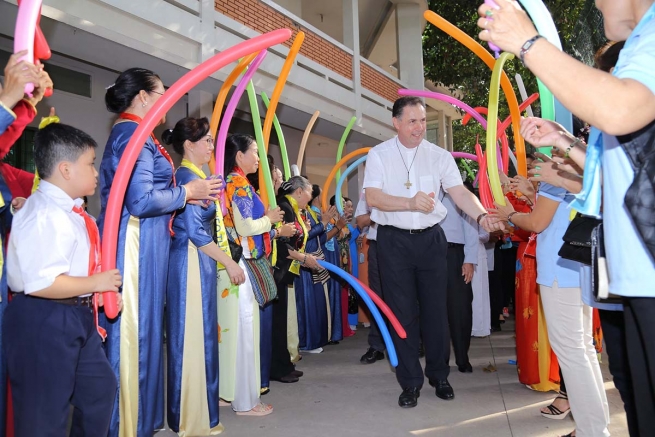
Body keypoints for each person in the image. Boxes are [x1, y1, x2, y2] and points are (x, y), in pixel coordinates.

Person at [478, 2, 655, 434]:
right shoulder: (639, 40)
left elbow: (622, 108)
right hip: (626, 276)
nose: (595, 3)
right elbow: (609, 181)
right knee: (634, 394)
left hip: (641, 274)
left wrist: (528, 42)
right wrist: (566, 145)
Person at [98, 68, 221, 436]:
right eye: (162, 92)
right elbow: (139, 200)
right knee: (134, 337)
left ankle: (140, 424)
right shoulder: (132, 134)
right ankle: (125, 426)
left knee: (147, 338)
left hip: (147, 243)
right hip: (134, 244)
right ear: (142, 97)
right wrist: (189, 193)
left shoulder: (138, 135)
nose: (167, 98)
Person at [363, 96, 503, 408]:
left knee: (436, 311)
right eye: (412, 121)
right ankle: (409, 382)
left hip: (430, 241)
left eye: (423, 121)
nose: (419, 127)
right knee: (402, 314)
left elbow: (460, 192)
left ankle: (440, 375)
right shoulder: (379, 154)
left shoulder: (439, 156)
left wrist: (481, 216)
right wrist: (410, 202)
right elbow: (372, 197)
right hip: (393, 241)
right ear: (396, 123)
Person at [4, 123, 123, 436]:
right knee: (45, 414)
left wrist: (96, 291)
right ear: (66, 169)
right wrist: (97, 283)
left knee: (99, 389)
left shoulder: (69, 211)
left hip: (74, 314)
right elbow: (42, 283)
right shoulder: (45, 213)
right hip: (43, 318)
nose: (96, 172)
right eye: (91, 163)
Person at [163, 118, 245, 433]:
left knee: (203, 336)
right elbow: (195, 232)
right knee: (191, 338)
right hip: (190, 261)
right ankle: (189, 416)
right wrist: (230, 263)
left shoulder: (197, 176)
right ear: (189, 145)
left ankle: (203, 413)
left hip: (201, 262)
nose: (212, 147)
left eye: (212, 140)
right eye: (207, 141)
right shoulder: (186, 176)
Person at [219, 133, 285, 416]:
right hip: (243, 264)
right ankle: (246, 402)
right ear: (239, 156)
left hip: (234, 265)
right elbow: (246, 228)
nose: (259, 158)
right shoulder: (239, 185)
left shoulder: (234, 183)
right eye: (255, 152)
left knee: (232, 333)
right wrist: (269, 219)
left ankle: (230, 393)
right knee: (245, 333)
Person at [271, 176, 323, 383]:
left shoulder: (294, 209)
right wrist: (304, 258)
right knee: (277, 322)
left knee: (282, 321)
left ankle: (285, 365)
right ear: (299, 192)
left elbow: (295, 240)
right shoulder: (285, 207)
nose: (311, 198)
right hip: (279, 271)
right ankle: (277, 368)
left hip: (286, 272)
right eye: (310, 192)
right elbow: (283, 245)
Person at [440, 191, 479, 373]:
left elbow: (471, 225)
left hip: (455, 253)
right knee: (434, 310)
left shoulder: (458, 191)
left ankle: (462, 357)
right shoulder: (422, 185)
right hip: (428, 253)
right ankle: (440, 360)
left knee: (461, 308)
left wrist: (469, 259)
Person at [295, 185, 336, 352]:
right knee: (306, 303)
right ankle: (306, 342)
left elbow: (316, 235)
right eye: (309, 191)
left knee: (316, 303)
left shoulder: (307, 212)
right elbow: (303, 236)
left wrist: (336, 226)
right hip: (304, 261)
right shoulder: (297, 212)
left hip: (314, 258)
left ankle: (315, 339)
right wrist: (325, 222)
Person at [355, 191, 386, 364]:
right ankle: (377, 345)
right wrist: (384, 210)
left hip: (405, 246)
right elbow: (360, 221)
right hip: (378, 246)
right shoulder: (370, 191)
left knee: (408, 295)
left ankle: (413, 341)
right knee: (377, 297)